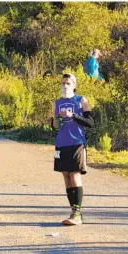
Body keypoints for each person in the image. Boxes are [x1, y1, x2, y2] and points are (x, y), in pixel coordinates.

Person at [51, 73, 94, 225]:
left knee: (75, 175)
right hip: (62, 143)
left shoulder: (82, 100)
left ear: (74, 85)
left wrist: (73, 115)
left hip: (77, 142)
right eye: (63, 83)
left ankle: (77, 213)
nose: (65, 86)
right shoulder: (56, 103)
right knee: (66, 177)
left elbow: (90, 122)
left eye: (68, 83)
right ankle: (73, 211)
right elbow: (53, 124)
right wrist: (55, 122)